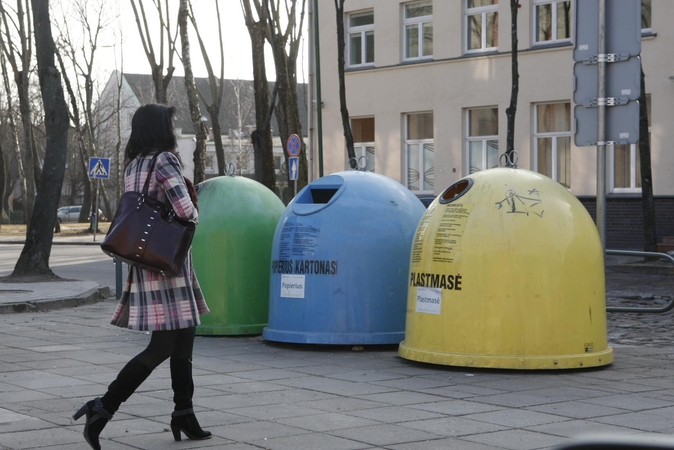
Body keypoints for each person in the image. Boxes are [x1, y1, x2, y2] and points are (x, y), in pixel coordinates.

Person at [73, 104, 211, 450]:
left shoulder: (134, 164)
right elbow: (186, 212)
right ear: (161, 128)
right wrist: (193, 200)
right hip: (169, 267)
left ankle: (184, 412)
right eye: (173, 124)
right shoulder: (164, 160)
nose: (176, 129)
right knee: (163, 346)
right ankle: (103, 407)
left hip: (149, 264)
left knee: (184, 338)